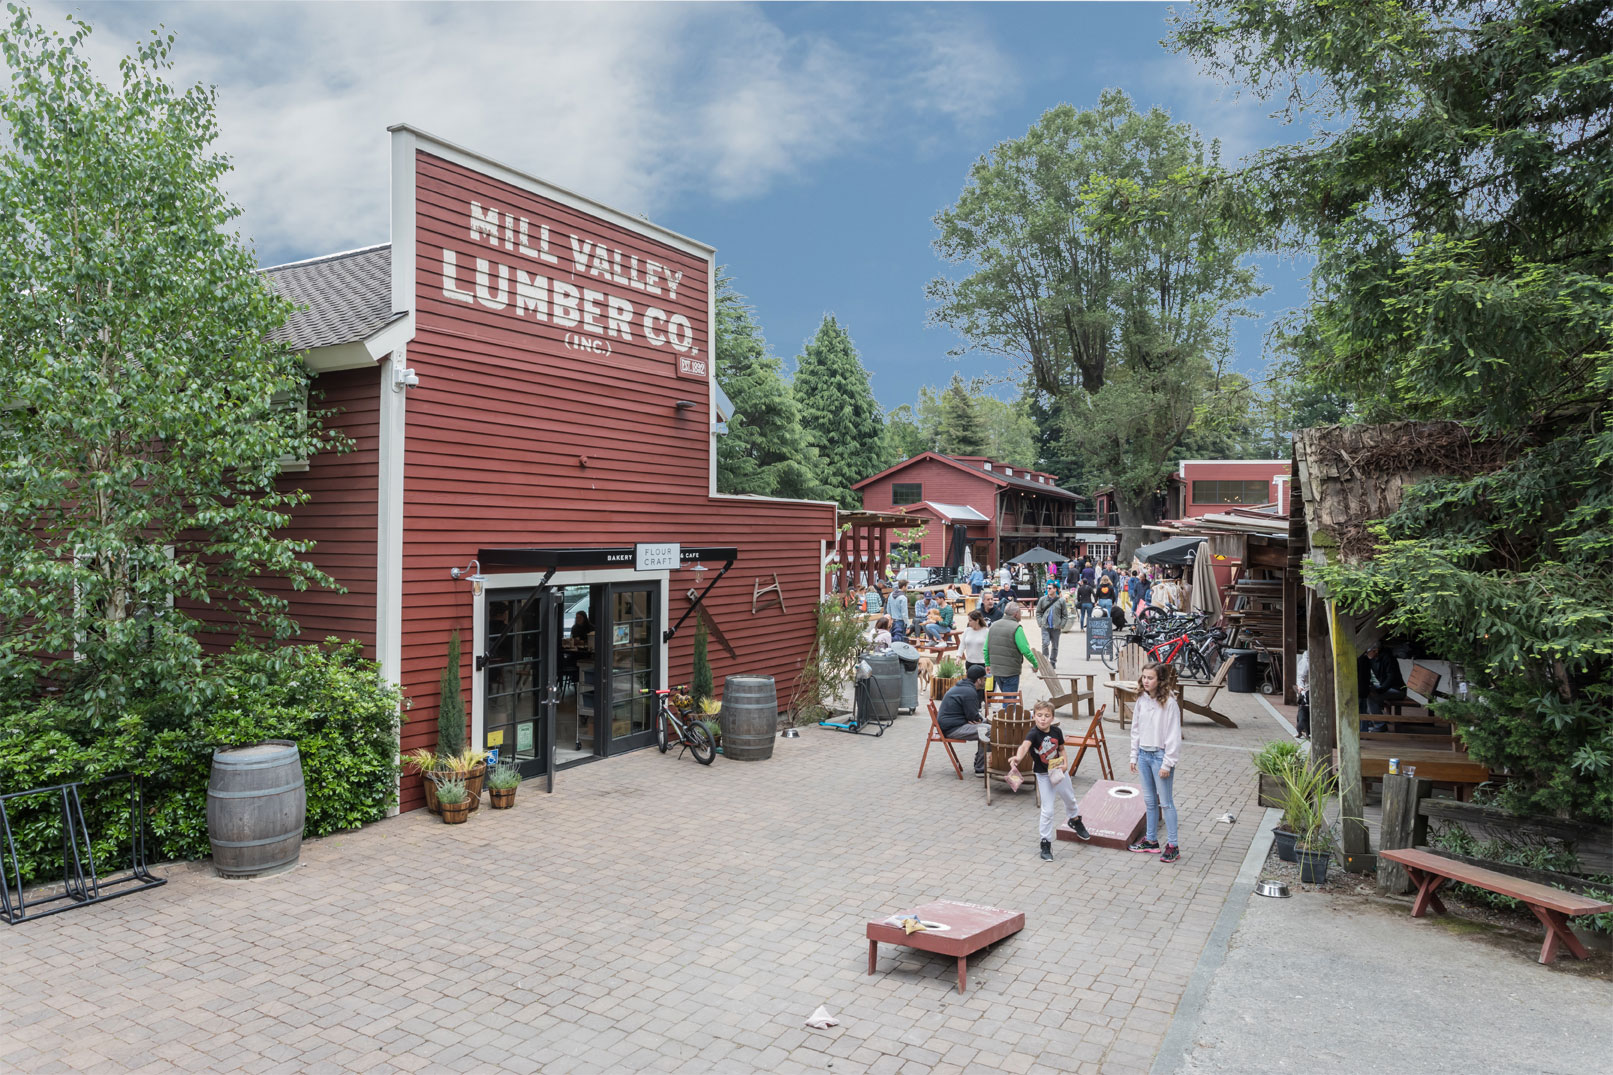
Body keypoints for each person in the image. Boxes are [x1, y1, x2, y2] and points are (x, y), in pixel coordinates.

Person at [1010, 699, 1090, 860]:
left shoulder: (1056, 732)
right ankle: (1045, 843)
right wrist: (1018, 758)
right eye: (1039, 715)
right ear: (1034, 717)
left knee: (1070, 799)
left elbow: (1061, 749)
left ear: (1052, 718)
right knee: (1048, 810)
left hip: (1058, 770)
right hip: (1043, 775)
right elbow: (1024, 746)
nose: (1043, 719)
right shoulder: (1033, 734)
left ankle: (1074, 820)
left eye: (1047, 716)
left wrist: (1066, 763)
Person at [1128, 660, 1182, 863]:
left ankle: (1173, 845)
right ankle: (1151, 841)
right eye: (1144, 677)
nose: (1146, 681)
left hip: (1160, 756)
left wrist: (1167, 763)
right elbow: (1136, 729)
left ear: (1160, 680)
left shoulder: (1169, 703)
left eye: (1150, 677)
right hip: (1143, 755)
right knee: (1150, 801)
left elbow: (1173, 735)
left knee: (1166, 803)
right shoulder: (1142, 699)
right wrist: (1134, 755)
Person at [937, 664, 991, 774]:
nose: (985, 681)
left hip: (951, 725)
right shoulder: (969, 692)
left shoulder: (964, 687)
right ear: (979, 680)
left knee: (985, 727)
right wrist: (979, 720)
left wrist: (977, 719)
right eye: (984, 679)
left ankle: (979, 763)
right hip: (951, 729)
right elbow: (974, 717)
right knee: (988, 730)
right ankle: (981, 768)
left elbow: (974, 718)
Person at [984, 600, 1038, 696]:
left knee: (1005, 696)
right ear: (1016, 614)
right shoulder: (1016, 628)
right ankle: (1006, 711)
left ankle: (1005, 711)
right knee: (1009, 701)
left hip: (996, 670)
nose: (1021, 615)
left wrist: (988, 664)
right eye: (1020, 612)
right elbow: (1025, 650)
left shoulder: (993, 626)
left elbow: (986, 648)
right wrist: (1035, 664)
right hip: (1011, 671)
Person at [1359, 642, 1405, 732]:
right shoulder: (1373, 658)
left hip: (1397, 690)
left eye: (1368, 651)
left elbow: (1391, 677)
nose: (1366, 653)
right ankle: (1372, 720)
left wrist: (1380, 690)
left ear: (1376, 650)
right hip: (1386, 687)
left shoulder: (1388, 658)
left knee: (1371, 696)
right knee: (1366, 691)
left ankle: (1380, 725)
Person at [1035, 582, 1069, 666]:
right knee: (1045, 643)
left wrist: (1061, 625)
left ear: (1055, 589)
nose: (1048, 590)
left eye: (1050, 588)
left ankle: (1053, 662)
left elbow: (1065, 615)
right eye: (1047, 588)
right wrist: (1040, 622)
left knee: (1055, 646)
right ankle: (1045, 661)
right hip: (1045, 626)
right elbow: (1038, 612)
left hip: (1056, 627)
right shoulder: (1042, 599)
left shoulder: (1061, 601)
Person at [1294, 650, 1311, 740]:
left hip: (1306, 690)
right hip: (1307, 690)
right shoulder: (1306, 661)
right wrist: (1301, 687)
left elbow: (1301, 676)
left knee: (1303, 712)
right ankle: (1304, 731)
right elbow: (1301, 677)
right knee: (1304, 711)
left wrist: (1300, 687)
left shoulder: (1305, 661)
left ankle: (1301, 731)